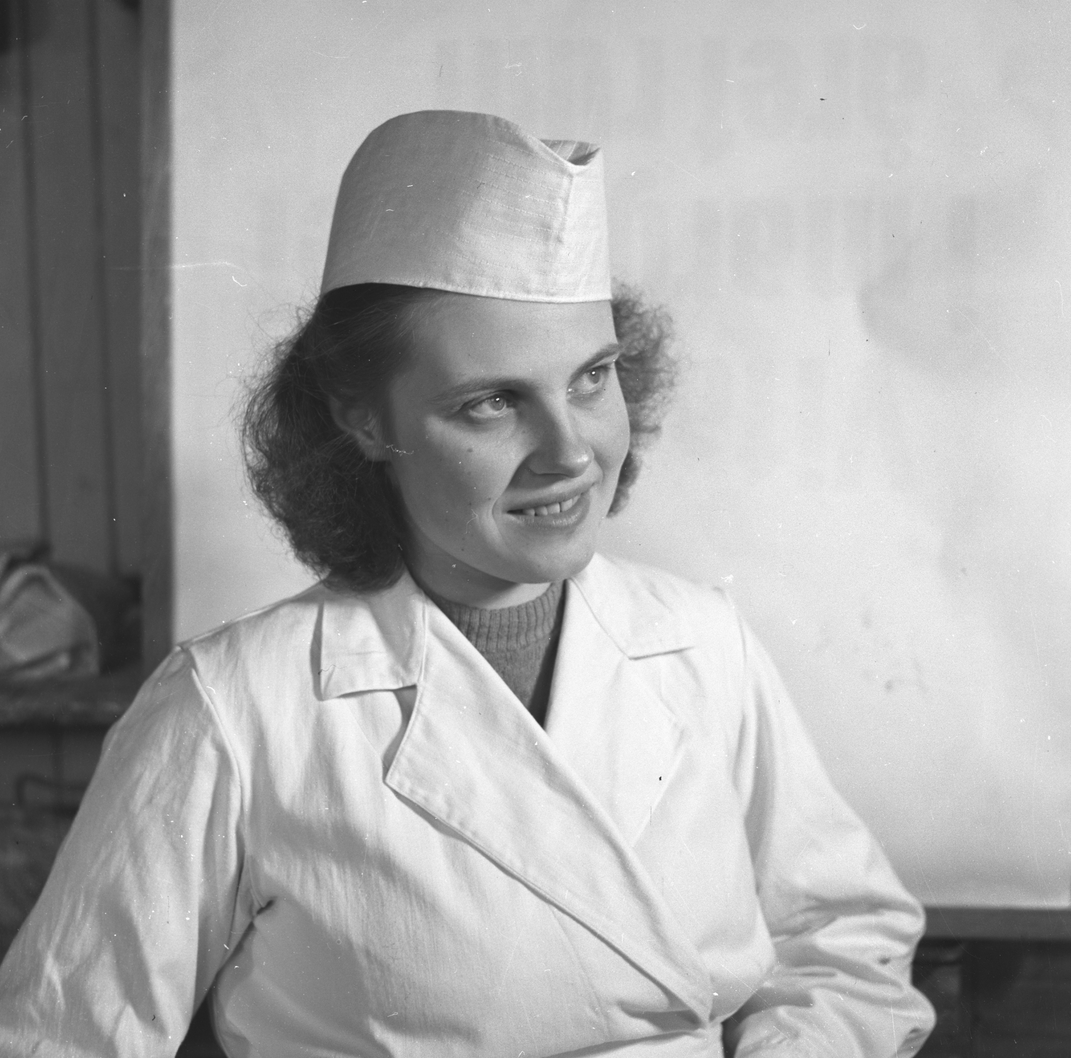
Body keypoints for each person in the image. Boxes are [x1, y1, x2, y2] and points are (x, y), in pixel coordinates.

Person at [0, 111, 935, 1056]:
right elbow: (60, 1037)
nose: (570, 453)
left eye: (591, 378)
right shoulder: (234, 707)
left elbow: (841, 938)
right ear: (363, 420)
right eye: (491, 402)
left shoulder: (702, 643)